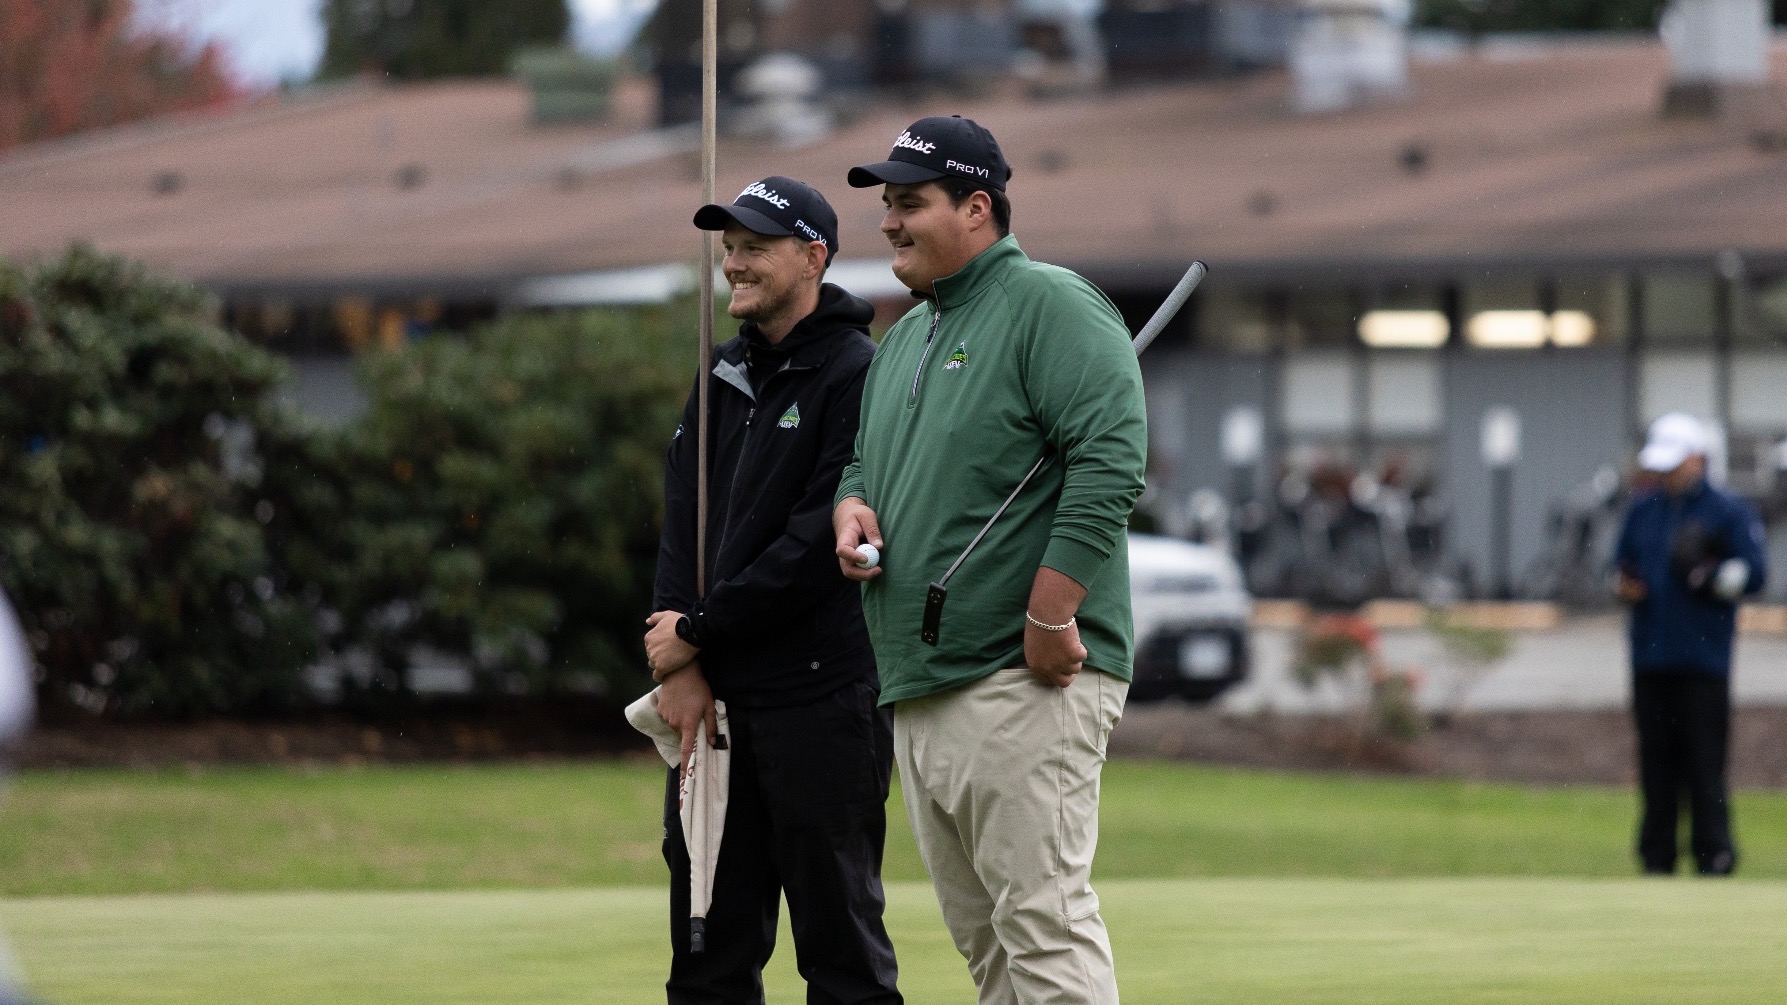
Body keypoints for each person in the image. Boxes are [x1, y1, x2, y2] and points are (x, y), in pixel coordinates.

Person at [832, 116, 1147, 1005]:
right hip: (921, 683)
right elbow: (863, 461)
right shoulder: (904, 339)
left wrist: (1051, 615)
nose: (890, 223)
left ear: (976, 207)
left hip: (1021, 673)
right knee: (992, 954)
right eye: (886, 206)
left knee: (1042, 929)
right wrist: (850, 503)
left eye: (909, 203)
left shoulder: (1050, 302)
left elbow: (1110, 457)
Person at [645, 176, 902, 1004]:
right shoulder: (722, 370)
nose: (734, 264)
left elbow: (810, 542)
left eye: (754, 247)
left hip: (822, 702)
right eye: (729, 248)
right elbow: (683, 512)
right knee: (707, 956)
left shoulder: (859, 373)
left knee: (840, 957)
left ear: (813, 257)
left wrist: (702, 630)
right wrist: (676, 659)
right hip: (717, 707)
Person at [1615, 412, 1767, 876]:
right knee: (1655, 760)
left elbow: (1754, 575)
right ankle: (1656, 857)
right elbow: (1621, 567)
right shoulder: (1643, 509)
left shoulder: (1728, 511)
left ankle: (1714, 854)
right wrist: (1625, 587)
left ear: (1697, 459)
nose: (1665, 473)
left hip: (1704, 658)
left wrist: (1709, 576)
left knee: (1704, 761)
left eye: (1674, 463)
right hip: (1650, 655)